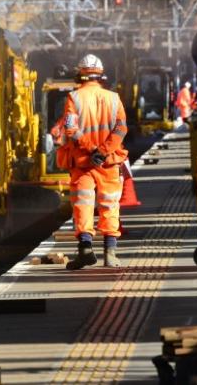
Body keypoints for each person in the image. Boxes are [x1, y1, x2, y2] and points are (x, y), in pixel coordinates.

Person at [57, 54, 128, 269]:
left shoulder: (74, 98)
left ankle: (85, 250)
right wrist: (104, 152)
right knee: (109, 205)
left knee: (83, 205)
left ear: (80, 74)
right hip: (108, 162)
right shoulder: (114, 98)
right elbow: (121, 128)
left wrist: (91, 150)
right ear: (101, 75)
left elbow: (70, 128)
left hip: (83, 162)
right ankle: (110, 254)